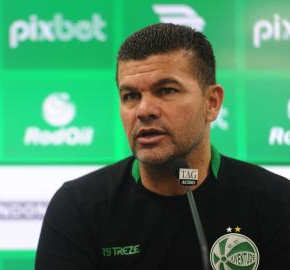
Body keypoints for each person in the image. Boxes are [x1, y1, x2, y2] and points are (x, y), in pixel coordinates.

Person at [35, 23, 290, 270]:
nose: (144, 110)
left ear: (212, 103)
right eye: (130, 96)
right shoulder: (78, 207)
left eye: (166, 90)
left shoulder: (276, 202)